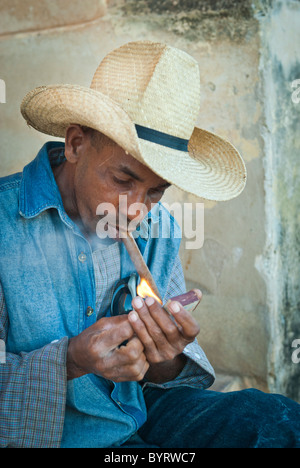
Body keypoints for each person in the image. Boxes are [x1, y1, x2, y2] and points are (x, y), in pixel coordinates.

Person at [0, 40, 299, 449]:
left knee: (279, 422)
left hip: (143, 414)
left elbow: (166, 381)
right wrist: (71, 359)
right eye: (123, 180)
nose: (138, 210)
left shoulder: (159, 227)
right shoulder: (5, 224)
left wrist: (165, 354)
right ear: (75, 144)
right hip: (48, 437)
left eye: (156, 191)